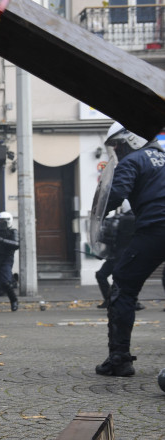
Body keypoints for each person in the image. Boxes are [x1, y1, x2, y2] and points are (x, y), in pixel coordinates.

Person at [94, 122, 165, 377]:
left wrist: (99, 205)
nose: (117, 150)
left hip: (155, 229)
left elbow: (115, 195)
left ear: (130, 139)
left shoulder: (134, 160)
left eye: (117, 144)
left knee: (122, 288)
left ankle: (119, 359)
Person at [94, 202, 144, 311]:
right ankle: (113, 301)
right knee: (119, 278)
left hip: (118, 255)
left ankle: (129, 302)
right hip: (127, 255)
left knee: (106, 276)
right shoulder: (138, 219)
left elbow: (108, 238)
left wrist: (102, 253)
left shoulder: (119, 219)